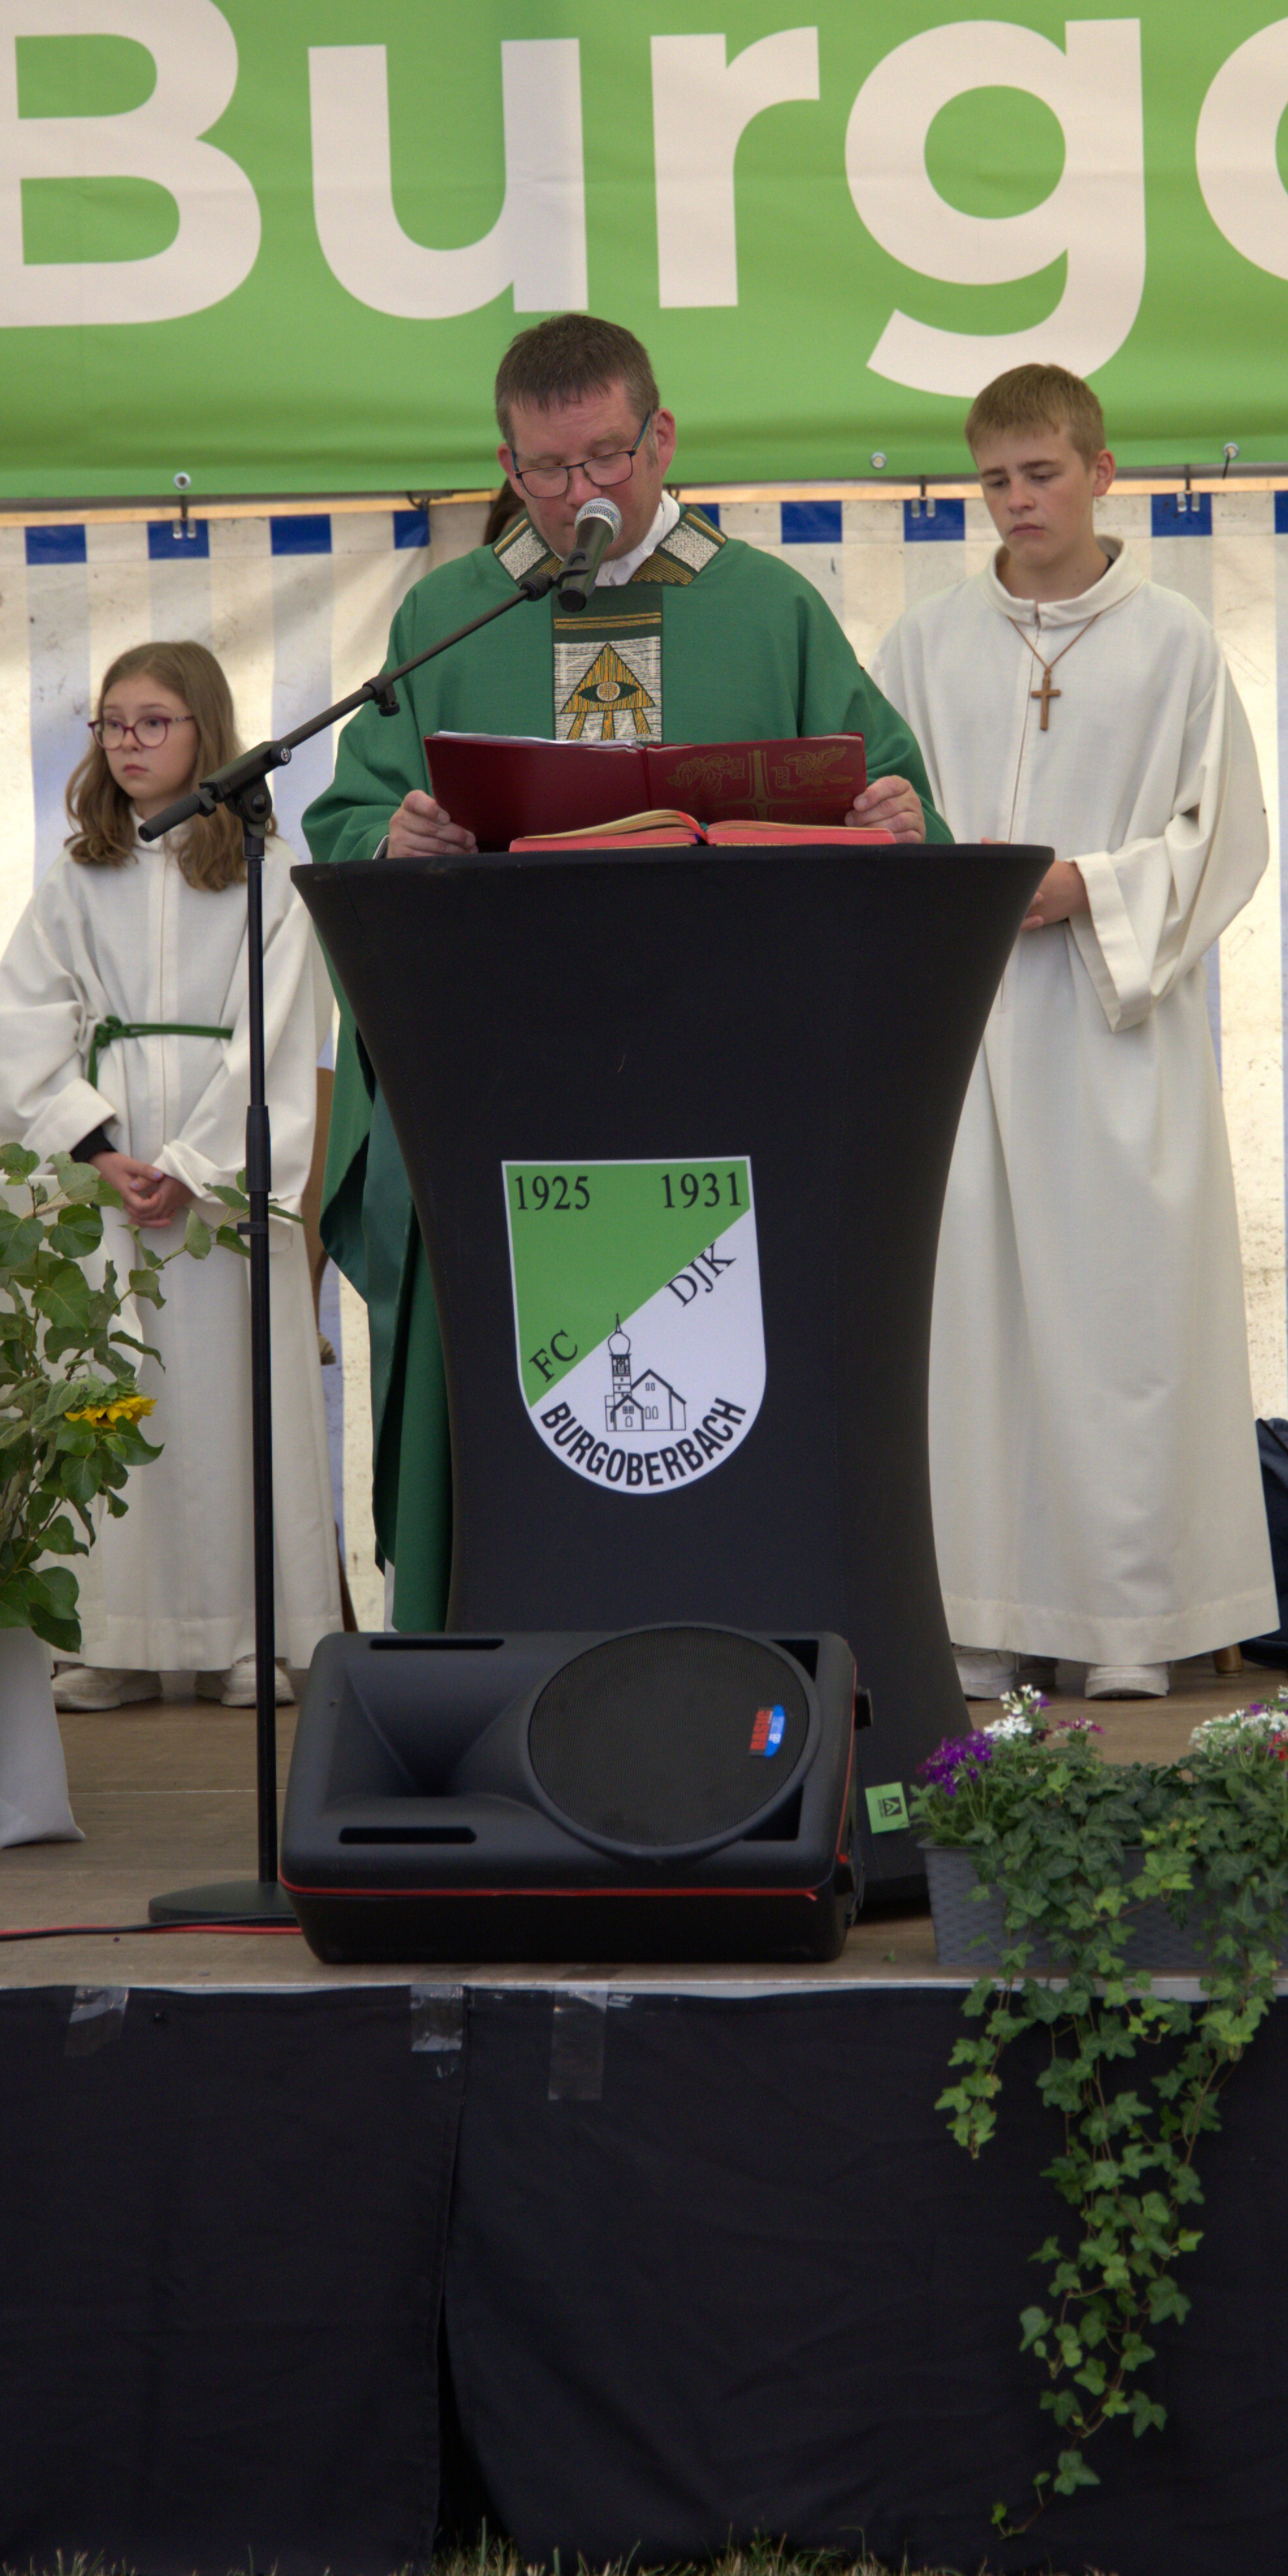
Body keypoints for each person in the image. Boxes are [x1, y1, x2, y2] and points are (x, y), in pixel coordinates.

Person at [305, 311, 946, 1618]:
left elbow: (887, 795)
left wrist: (894, 813)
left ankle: (751, 1634)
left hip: (734, 1081)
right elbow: (349, 814)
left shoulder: (768, 609)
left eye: (604, 456)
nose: (579, 493)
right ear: (505, 462)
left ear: (662, 440)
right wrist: (395, 832)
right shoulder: (450, 616)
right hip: (507, 1089)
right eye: (547, 469)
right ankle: (487, 1641)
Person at [873, 362, 1276, 1700]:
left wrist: (1087, 887)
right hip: (963, 1028)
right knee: (969, 1327)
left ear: (1101, 472)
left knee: (1123, 1330)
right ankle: (978, 1623)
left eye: (1041, 473)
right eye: (993, 479)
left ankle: (1125, 1631)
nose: (1017, 500)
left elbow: (1220, 837)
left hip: (1115, 1031)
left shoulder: (1174, 643)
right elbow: (873, 814)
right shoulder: (923, 646)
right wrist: (928, 866)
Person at [0, 639, 345, 1709]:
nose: (127, 743)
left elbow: (282, 1035)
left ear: (206, 731)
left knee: (230, 1405)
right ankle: (118, 1640)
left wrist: (194, 1166)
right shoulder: (79, 873)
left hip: (221, 1171)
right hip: (111, 1166)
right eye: (111, 724)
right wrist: (99, 1150)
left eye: (153, 722)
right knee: (113, 1394)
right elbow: (23, 1019)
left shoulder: (265, 874)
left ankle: (248, 1638)